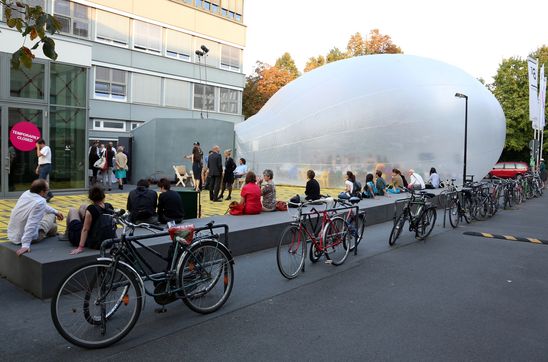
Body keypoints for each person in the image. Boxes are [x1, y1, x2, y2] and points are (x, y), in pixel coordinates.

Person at [7, 179, 64, 256]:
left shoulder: (26, 193)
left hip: (12, 235)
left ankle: (52, 231)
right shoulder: (41, 202)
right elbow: (32, 224)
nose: (48, 191)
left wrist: (56, 212)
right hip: (27, 238)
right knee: (51, 216)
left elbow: (43, 206)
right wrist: (25, 245)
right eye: (47, 190)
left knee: (52, 215)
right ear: (42, 191)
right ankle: (52, 231)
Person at [68, 185, 115, 255]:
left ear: (90, 198)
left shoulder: (91, 209)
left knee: (72, 210)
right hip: (107, 241)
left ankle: (67, 233)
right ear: (104, 196)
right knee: (83, 206)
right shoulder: (109, 206)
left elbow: (85, 229)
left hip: (93, 241)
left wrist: (80, 247)